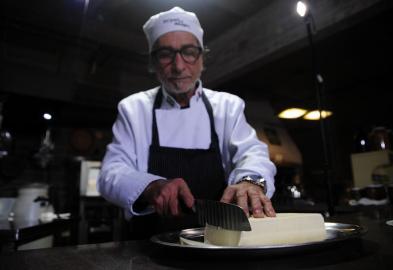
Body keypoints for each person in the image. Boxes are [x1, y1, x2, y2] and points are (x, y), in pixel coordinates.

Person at [97, 6, 277, 238]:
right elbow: (111, 173)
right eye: (165, 54)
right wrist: (151, 187)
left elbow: (252, 152)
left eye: (189, 52)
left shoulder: (228, 106)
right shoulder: (134, 108)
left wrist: (249, 181)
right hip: (150, 241)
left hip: (219, 239)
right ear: (153, 62)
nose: (179, 66)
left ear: (202, 58)